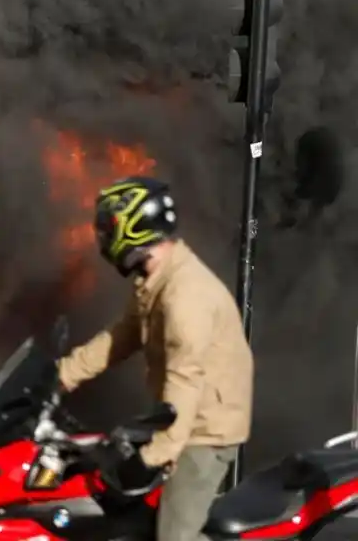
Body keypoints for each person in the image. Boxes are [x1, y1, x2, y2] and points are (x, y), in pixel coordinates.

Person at [57, 176, 253, 541]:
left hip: (205, 430)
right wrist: (60, 376)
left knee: (172, 536)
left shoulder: (184, 295)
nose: (102, 239)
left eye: (108, 229)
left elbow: (186, 381)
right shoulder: (156, 278)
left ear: (135, 227)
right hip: (177, 417)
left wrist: (157, 454)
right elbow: (121, 337)